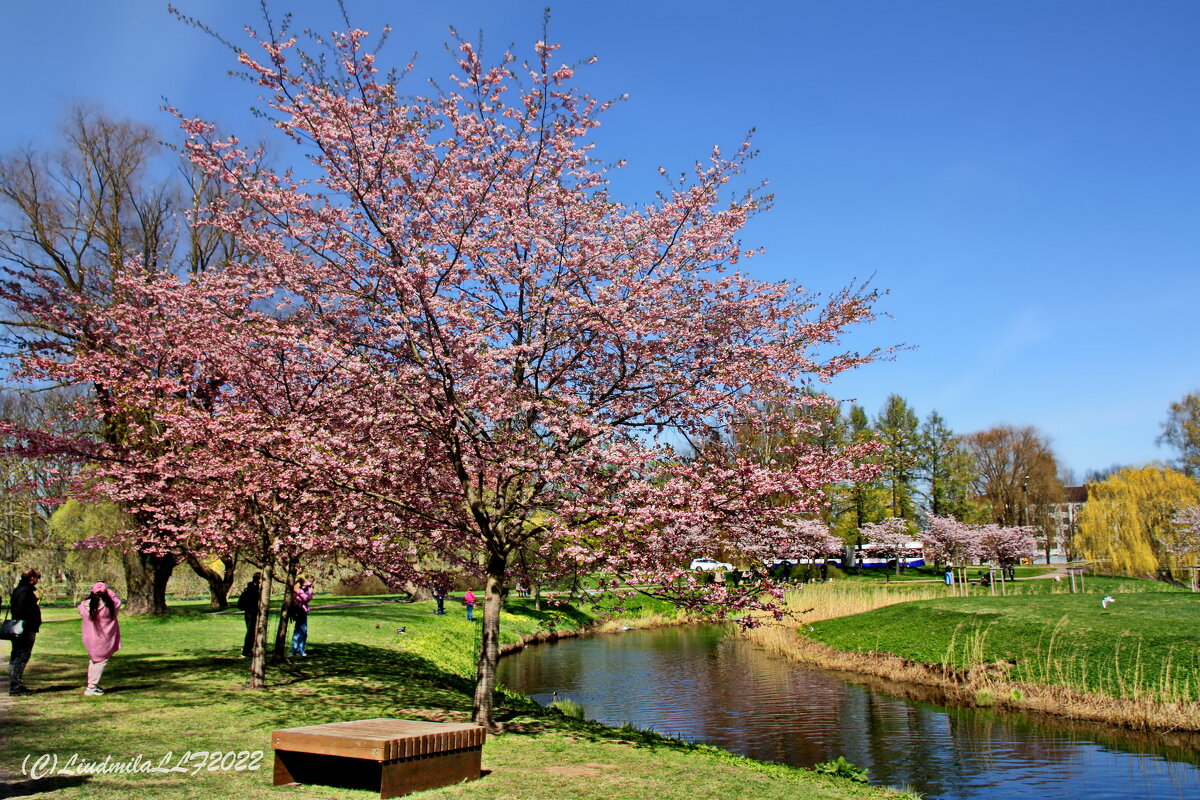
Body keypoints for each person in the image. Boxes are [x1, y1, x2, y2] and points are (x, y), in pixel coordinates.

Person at [78, 581, 122, 696]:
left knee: (94, 661)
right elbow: (117, 600)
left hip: (89, 638)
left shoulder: (84, 605)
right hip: (104, 639)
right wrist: (109, 591)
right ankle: (91, 687)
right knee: (101, 661)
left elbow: (80, 611)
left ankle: (91, 685)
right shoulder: (110, 605)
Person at [8, 568, 42, 696]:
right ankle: (15, 686)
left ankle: (16, 684)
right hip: (24, 629)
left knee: (17, 656)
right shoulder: (25, 591)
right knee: (21, 656)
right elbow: (22, 610)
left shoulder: (19, 590)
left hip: (20, 628)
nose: (38, 580)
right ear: (31, 578)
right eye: (37, 577)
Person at [237, 573, 262, 658]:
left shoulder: (250, 588)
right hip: (251, 613)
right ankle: (246, 651)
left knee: (251, 632)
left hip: (249, 613)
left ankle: (249, 649)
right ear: (258, 580)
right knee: (251, 633)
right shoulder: (253, 590)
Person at [290, 578, 314, 657]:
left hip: (298, 611)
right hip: (301, 611)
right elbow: (307, 598)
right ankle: (300, 650)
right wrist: (310, 590)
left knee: (297, 630)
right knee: (303, 631)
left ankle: (294, 648)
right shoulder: (299, 592)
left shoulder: (296, 592)